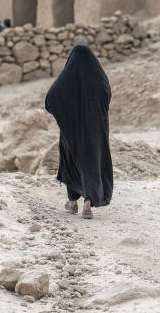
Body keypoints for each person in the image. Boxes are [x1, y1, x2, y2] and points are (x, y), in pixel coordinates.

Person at [44, 44, 113, 219]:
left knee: (71, 161)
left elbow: (51, 97)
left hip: (72, 131)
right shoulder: (99, 77)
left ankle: (73, 202)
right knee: (92, 163)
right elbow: (107, 96)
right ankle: (88, 203)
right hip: (95, 132)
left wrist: (67, 115)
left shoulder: (69, 76)